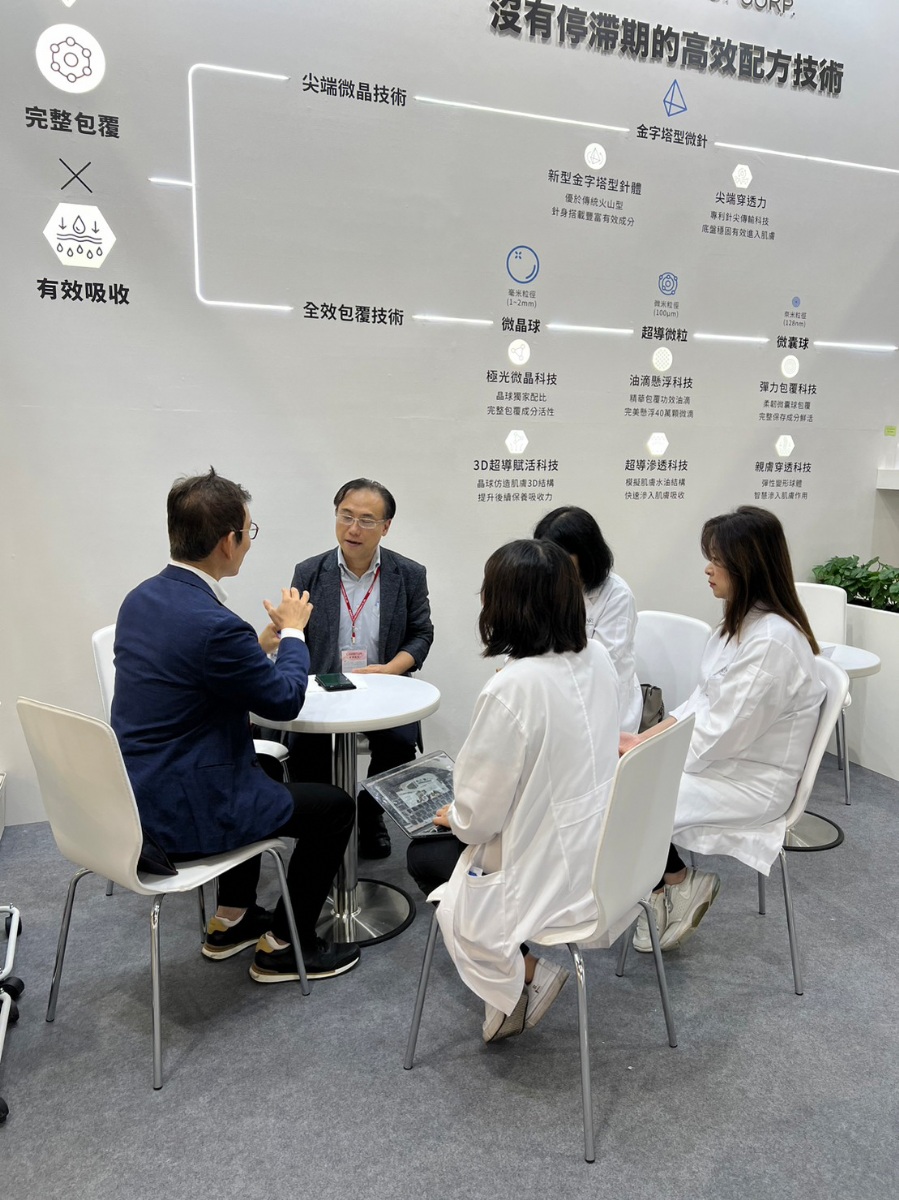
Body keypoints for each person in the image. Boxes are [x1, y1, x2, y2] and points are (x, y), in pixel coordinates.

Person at [111, 468, 359, 983]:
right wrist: (294, 634)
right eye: (249, 531)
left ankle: (231, 920)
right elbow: (284, 700)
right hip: (186, 812)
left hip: (137, 797)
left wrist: (257, 646)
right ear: (229, 541)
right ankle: (287, 946)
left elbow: (196, 672)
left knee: (262, 769)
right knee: (335, 808)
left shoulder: (141, 599)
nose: (248, 541)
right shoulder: (216, 626)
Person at [407, 539, 620, 1043]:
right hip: (607, 857)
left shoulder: (512, 688)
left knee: (426, 855)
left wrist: (455, 817)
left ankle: (526, 974)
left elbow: (477, 820)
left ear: (505, 605)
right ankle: (521, 978)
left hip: (548, 873)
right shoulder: (598, 658)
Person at [619, 505, 825, 954]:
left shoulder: (771, 641)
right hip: (727, 761)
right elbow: (701, 703)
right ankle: (672, 882)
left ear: (748, 566)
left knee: (628, 795)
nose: (708, 569)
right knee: (624, 780)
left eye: (717, 560)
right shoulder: (740, 624)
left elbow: (718, 734)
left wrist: (647, 754)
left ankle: (671, 883)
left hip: (751, 782)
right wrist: (641, 741)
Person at [287, 478, 434, 857]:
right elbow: (294, 631)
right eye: (346, 516)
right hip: (323, 687)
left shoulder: (408, 574)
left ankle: (368, 813)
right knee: (303, 747)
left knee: (399, 744)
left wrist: (391, 669)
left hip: (385, 687)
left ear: (385, 527)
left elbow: (421, 634)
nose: (353, 528)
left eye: (367, 520)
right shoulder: (309, 572)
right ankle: (327, 824)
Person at [533, 506, 643, 733]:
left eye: (560, 556)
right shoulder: (545, 583)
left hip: (602, 702)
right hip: (554, 692)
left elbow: (600, 664)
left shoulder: (616, 595)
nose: (551, 565)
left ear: (585, 555)